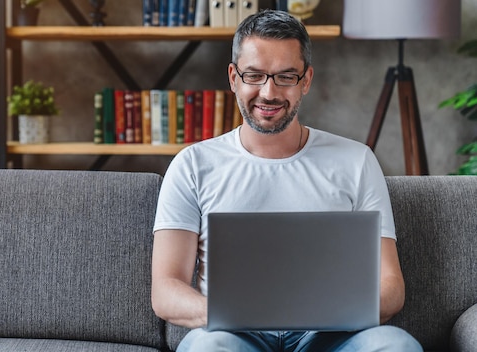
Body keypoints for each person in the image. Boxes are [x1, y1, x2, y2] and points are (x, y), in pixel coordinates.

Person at [150, 9, 423, 352]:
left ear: (306, 80)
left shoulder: (357, 161)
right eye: (254, 75)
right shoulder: (192, 165)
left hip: (331, 335)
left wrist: (329, 312)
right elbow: (165, 291)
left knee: (396, 346)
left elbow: (391, 285)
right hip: (231, 332)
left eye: (285, 77)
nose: (268, 92)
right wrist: (229, 313)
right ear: (234, 77)